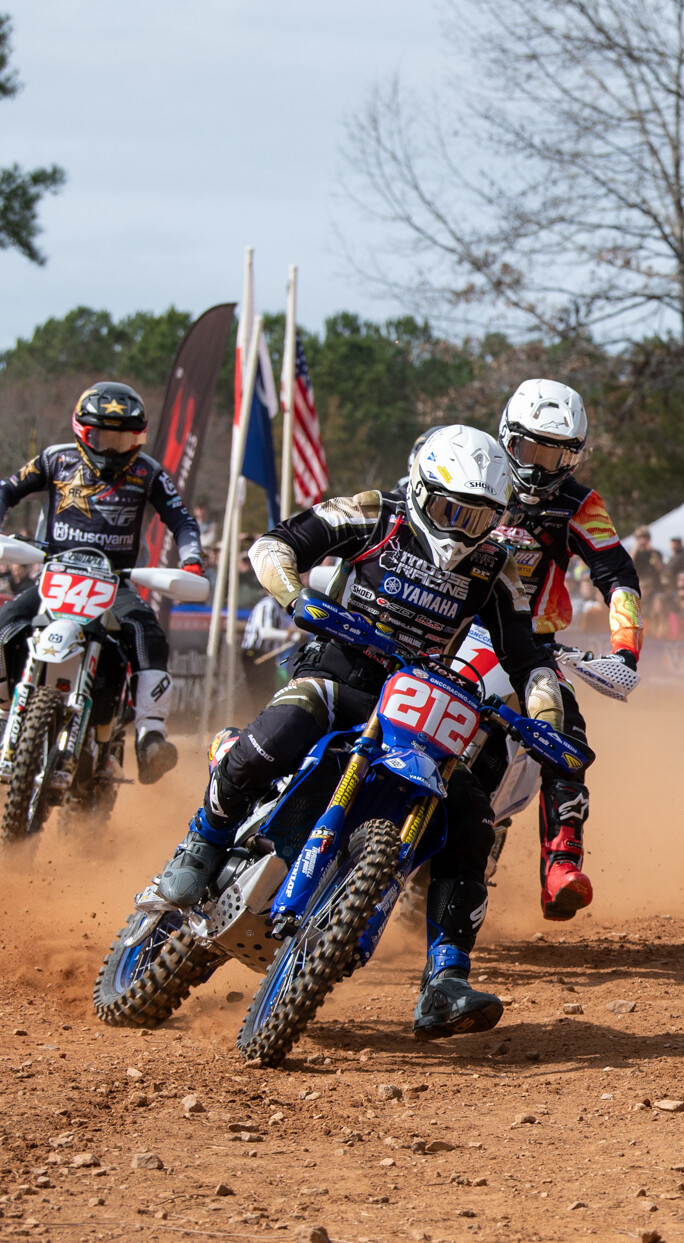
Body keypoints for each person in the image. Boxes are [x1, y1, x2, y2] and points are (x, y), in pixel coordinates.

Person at [150, 424, 564, 1041]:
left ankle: (445, 978)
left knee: (473, 817)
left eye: (479, 519)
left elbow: (529, 657)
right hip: (341, 667)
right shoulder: (375, 515)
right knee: (284, 729)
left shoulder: (493, 569)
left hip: (420, 699)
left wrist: (546, 719)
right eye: (451, 510)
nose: (462, 530)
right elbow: (274, 544)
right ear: (423, 493)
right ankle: (203, 843)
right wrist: (295, 597)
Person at [0, 381, 204, 784]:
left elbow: (181, 519)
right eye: (102, 437)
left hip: (116, 580)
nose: (111, 448)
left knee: (148, 635)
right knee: (6, 620)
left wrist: (192, 559)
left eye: (122, 438)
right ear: (82, 431)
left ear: (138, 437)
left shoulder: (148, 472)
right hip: (56, 573)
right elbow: (7, 490)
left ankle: (150, 737)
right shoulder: (54, 460)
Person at [491, 378, 642, 920]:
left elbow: (618, 576)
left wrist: (625, 651)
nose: (540, 465)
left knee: (565, 733)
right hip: (442, 628)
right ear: (507, 438)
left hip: (531, 646)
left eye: (557, 453)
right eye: (531, 448)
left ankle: (561, 862)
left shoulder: (581, 503)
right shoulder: (469, 471)